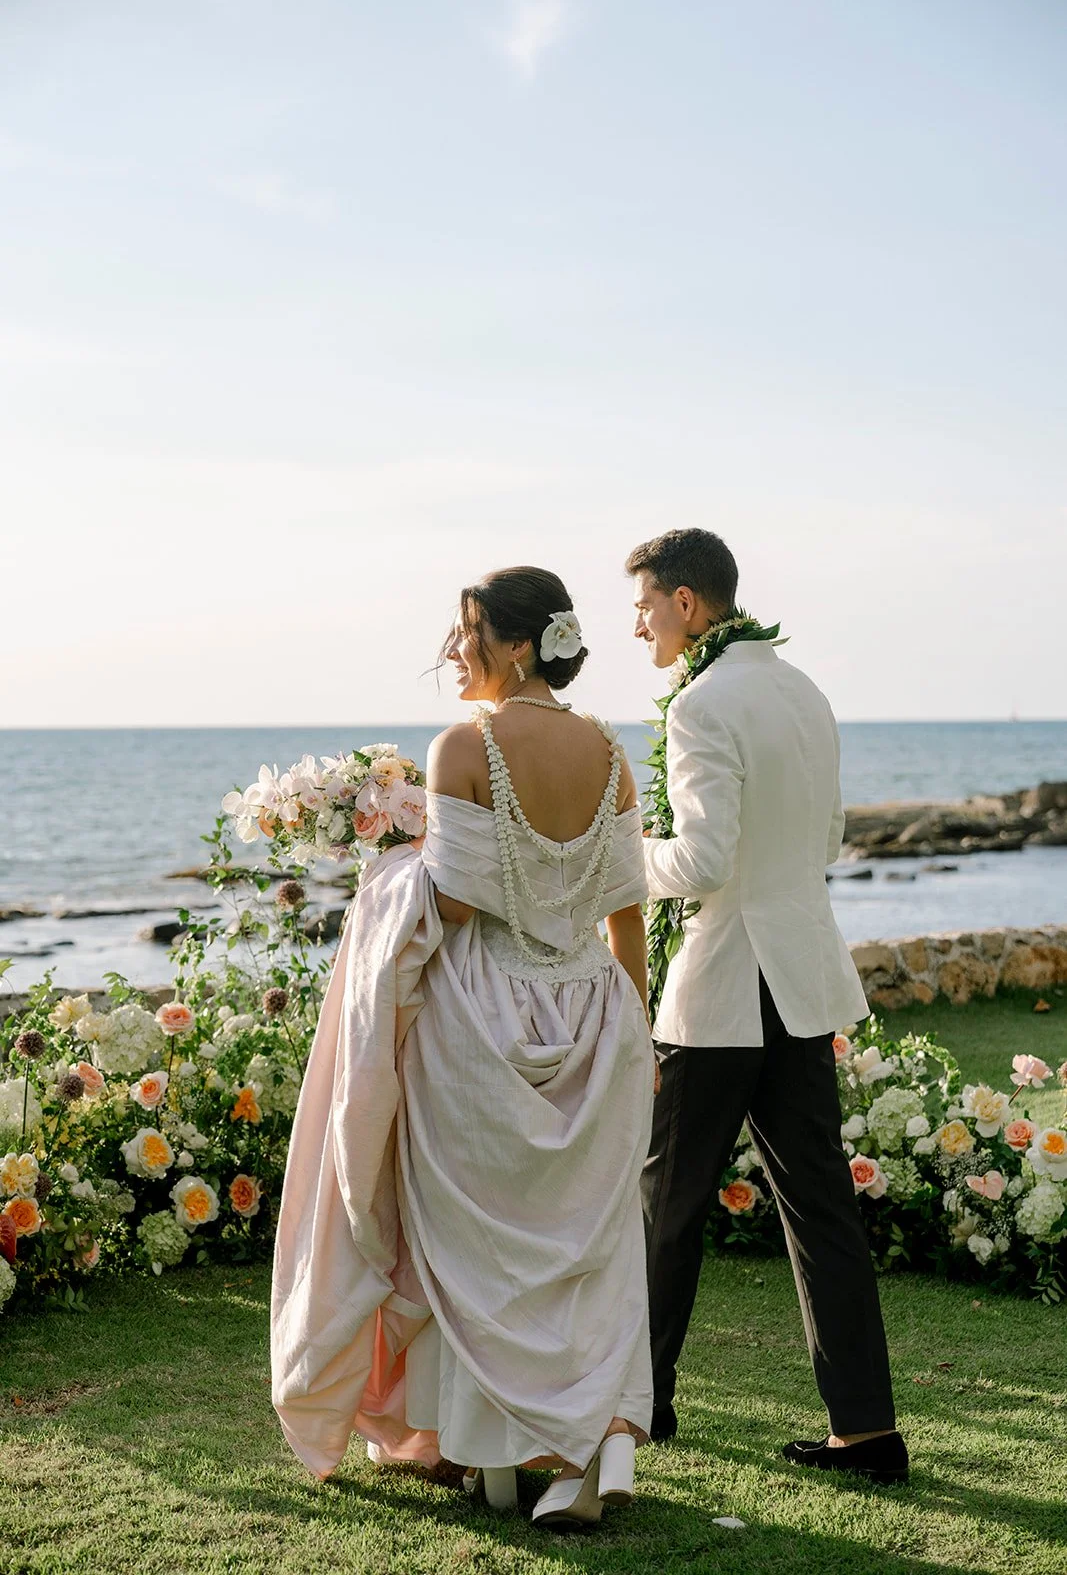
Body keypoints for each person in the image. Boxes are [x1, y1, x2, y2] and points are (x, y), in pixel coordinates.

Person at [271, 566, 657, 1530]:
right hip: (595, 1013)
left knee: (474, 1242)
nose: (453, 650)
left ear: (517, 644)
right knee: (583, 1246)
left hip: (482, 1015)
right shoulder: (612, 756)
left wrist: (392, 864)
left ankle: (505, 1452)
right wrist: (632, 1030)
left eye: (468, 630)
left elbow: (450, 905)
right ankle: (597, 1446)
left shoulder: (463, 746)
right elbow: (624, 912)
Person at [628, 526, 908, 1485]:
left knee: (667, 1203)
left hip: (723, 984)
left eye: (644, 606)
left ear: (687, 605)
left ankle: (637, 1405)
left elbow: (701, 863)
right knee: (821, 1207)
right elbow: (824, 835)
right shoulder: (806, 692)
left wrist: (622, 857)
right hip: (800, 973)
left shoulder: (702, 705)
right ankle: (866, 1431)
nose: (637, 628)